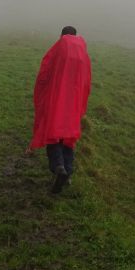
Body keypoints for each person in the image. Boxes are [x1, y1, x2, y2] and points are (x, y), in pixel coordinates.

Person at [27, 26, 92, 193]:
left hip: (56, 100)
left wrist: (41, 94)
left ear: (62, 35)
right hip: (74, 102)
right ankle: (68, 173)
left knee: (53, 134)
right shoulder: (83, 53)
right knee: (68, 137)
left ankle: (58, 166)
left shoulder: (59, 47)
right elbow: (87, 81)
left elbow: (44, 73)